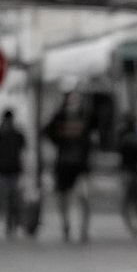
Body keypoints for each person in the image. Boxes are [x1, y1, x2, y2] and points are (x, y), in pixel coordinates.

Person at [44, 92, 93, 242]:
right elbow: (47, 131)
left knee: (84, 196)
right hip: (64, 163)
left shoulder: (87, 117)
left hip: (81, 165)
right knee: (63, 196)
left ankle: (83, 229)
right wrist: (59, 142)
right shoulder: (59, 118)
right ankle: (66, 225)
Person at [0, 110, 27, 237]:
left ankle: (12, 224)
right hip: (0, 172)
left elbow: (24, 148)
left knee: (13, 200)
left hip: (13, 172)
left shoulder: (17, 135)